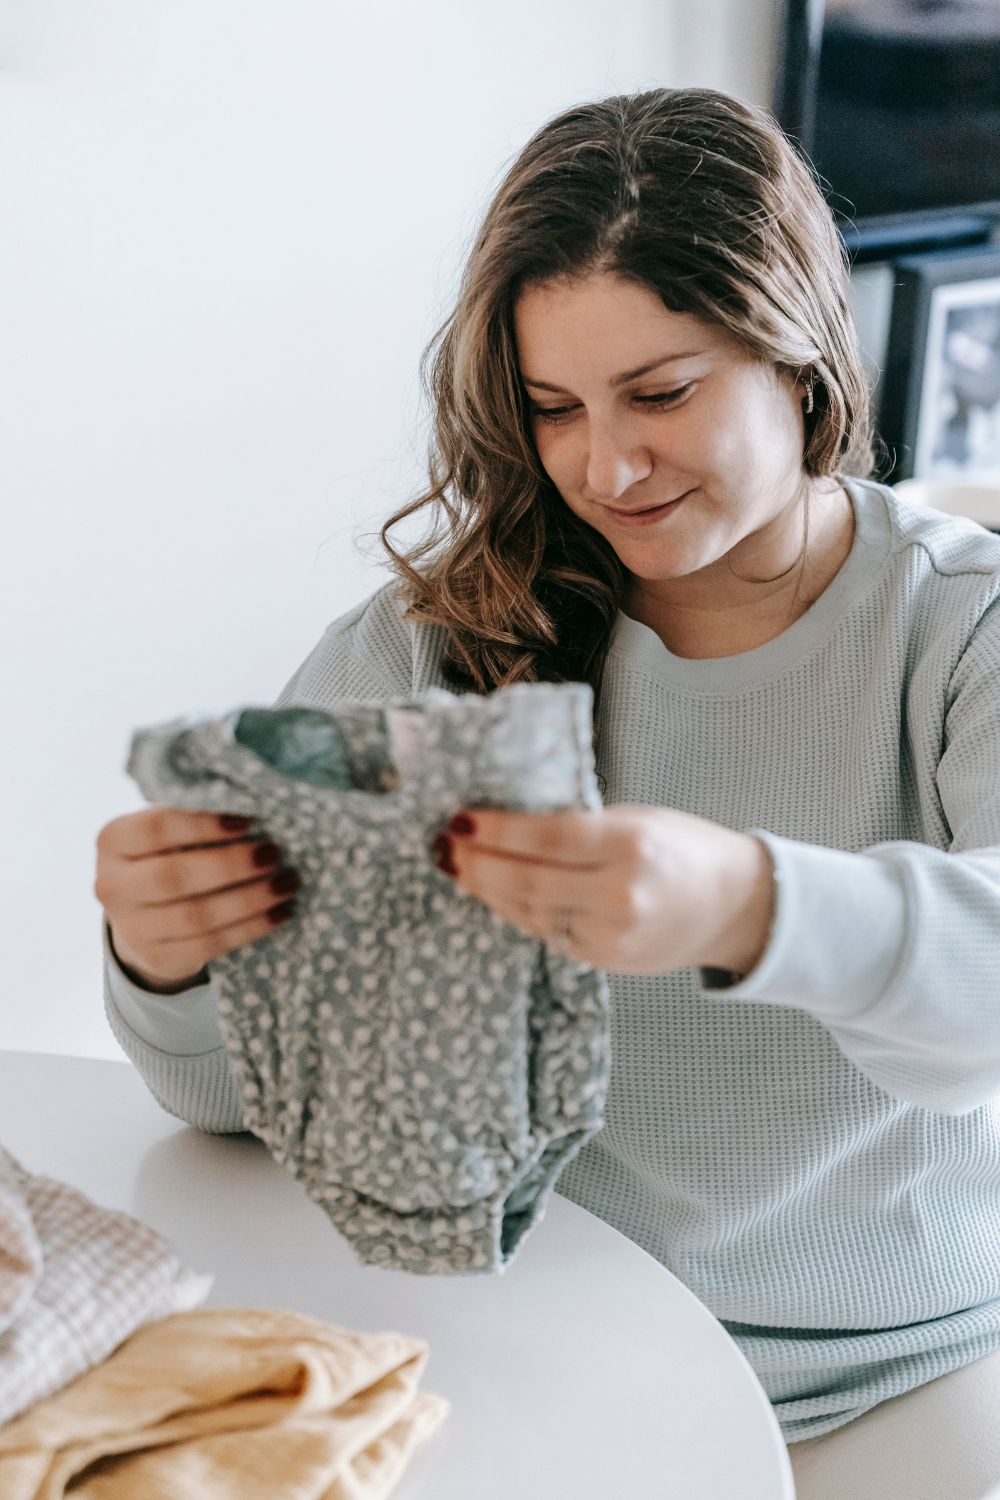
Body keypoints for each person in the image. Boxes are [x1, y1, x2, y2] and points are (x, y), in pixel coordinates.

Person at [93, 88, 1000, 1498]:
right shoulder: (430, 644)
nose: (604, 466)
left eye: (661, 393)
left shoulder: (960, 625)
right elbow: (232, 1104)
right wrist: (169, 966)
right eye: (552, 408)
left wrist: (745, 903)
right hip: (544, 1333)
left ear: (800, 357)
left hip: (908, 1365)